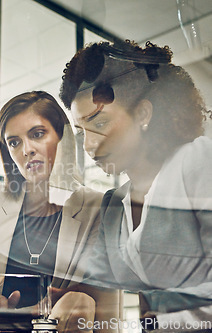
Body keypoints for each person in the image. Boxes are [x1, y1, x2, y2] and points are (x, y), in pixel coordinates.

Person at [60, 40, 212, 330]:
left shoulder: (197, 161)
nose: (89, 145)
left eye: (100, 124)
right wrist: (72, 297)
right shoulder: (114, 203)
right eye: (82, 132)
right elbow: (99, 283)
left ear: (143, 114)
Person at [0, 91, 120, 332]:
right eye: (14, 142)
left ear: (62, 137)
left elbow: (100, 302)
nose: (27, 149)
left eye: (37, 134)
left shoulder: (97, 207)